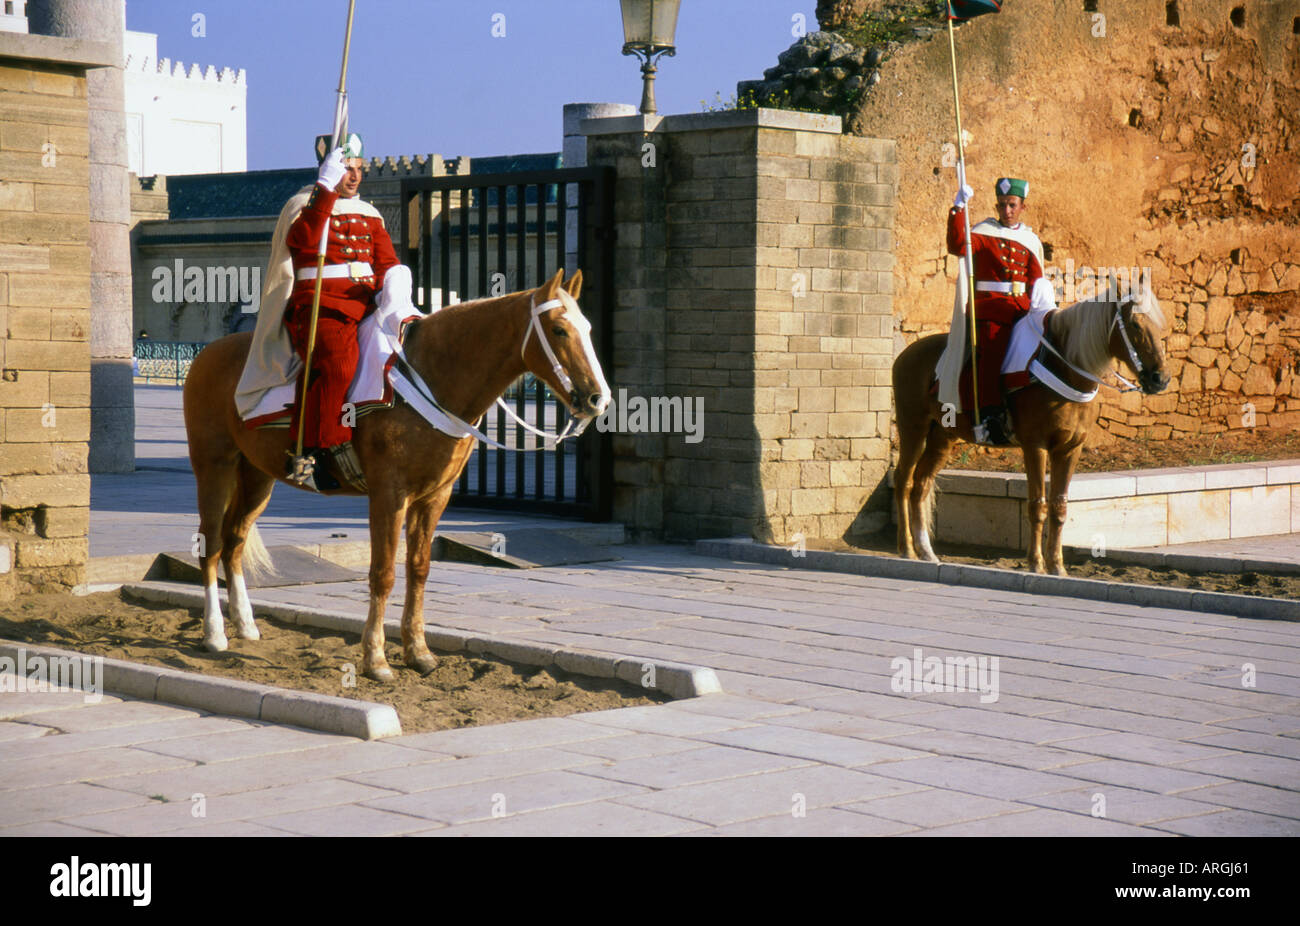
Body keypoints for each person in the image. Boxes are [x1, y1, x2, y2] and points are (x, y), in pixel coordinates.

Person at [280, 132, 398, 490]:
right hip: (321, 305)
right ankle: (317, 450)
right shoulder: (307, 206)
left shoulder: (369, 213)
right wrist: (325, 192)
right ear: (330, 169)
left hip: (366, 302)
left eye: (359, 168)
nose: (354, 175)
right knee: (338, 363)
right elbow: (300, 241)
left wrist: (395, 284)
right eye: (346, 167)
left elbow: (386, 260)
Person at [944, 175, 1055, 445]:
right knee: (992, 353)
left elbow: (1036, 279)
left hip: (1022, 309)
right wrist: (958, 208)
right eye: (1002, 205)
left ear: (1022, 207)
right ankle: (989, 416)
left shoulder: (1030, 240)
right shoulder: (984, 234)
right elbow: (957, 244)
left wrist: (1045, 309)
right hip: (991, 310)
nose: (1006, 211)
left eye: (1012, 205)